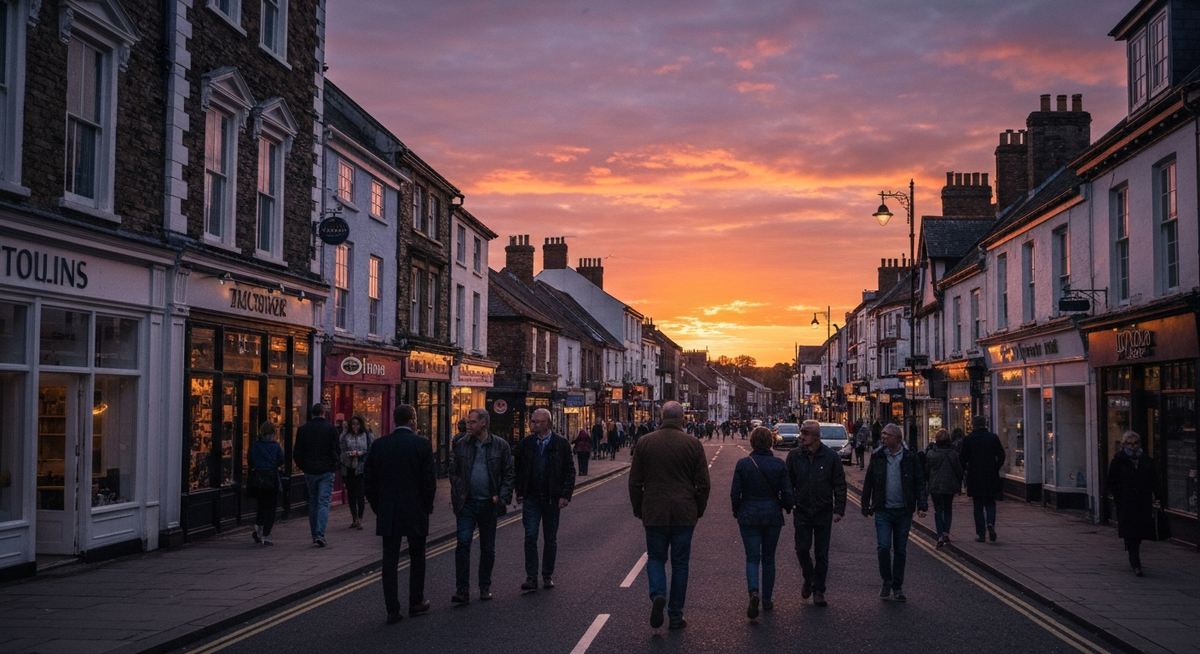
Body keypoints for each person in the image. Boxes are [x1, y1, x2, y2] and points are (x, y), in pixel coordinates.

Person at [629, 401, 710, 630]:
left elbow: (635, 483)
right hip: (685, 513)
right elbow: (703, 484)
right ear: (683, 417)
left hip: (654, 511)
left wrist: (639, 508)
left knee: (655, 558)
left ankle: (658, 596)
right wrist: (698, 509)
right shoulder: (693, 444)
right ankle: (675, 615)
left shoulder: (645, 442)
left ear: (661, 416)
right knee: (680, 563)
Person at [364, 404, 437, 625]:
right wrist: (427, 506)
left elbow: (369, 482)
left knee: (390, 560)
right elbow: (429, 482)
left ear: (395, 420)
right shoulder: (422, 444)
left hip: (389, 509)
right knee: (417, 556)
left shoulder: (379, 445)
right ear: (413, 419)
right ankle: (415, 602)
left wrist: (379, 507)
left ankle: (392, 610)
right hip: (415, 509)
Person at [449, 408, 514, 602]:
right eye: (468, 422)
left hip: (488, 504)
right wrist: (460, 490)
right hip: (467, 504)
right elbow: (453, 471)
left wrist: (501, 498)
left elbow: (509, 474)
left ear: (483, 423)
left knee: (487, 548)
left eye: (472, 422)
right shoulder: (460, 444)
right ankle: (462, 590)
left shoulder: (500, 446)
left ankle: (484, 586)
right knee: (462, 545)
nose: (468, 425)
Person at [861, 423, 927, 601]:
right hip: (883, 510)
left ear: (898, 438)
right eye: (882, 434)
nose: (883, 437)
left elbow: (919, 482)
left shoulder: (909, 458)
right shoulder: (877, 457)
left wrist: (922, 505)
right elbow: (869, 483)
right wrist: (865, 504)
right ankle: (886, 580)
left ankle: (897, 586)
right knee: (883, 547)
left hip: (903, 511)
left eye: (887, 435)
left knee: (900, 550)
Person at [732, 426, 793, 619]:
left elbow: (735, 494)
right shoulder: (779, 464)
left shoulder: (743, 464)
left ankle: (754, 592)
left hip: (749, 515)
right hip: (772, 515)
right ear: (770, 442)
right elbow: (787, 492)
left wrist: (737, 511)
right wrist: (787, 507)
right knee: (768, 559)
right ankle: (766, 599)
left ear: (751, 442)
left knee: (752, 558)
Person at [514, 407, 576, 591]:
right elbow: (519, 469)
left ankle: (547, 575)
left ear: (548, 424)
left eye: (538, 422)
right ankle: (531, 577)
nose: (534, 424)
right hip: (532, 498)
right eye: (533, 421)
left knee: (550, 539)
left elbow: (570, 471)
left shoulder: (561, 444)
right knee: (530, 536)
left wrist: (565, 495)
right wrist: (520, 492)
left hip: (552, 498)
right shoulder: (526, 444)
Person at [786, 420, 847, 607]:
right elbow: (788, 482)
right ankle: (808, 576)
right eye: (801, 432)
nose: (801, 436)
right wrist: (790, 502)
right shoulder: (794, 456)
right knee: (801, 549)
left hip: (823, 511)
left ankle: (819, 590)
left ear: (816, 437)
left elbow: (839, 484)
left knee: (822, 553)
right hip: (802, 511)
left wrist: (839, 510)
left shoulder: (831, 457)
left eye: (805, 433)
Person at [1106, 431, 1159, 577]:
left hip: (1142, 502)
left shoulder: (1147, 460)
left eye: (1135, 443)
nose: (1133, 446)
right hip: (1126, 502)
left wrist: (1156, 496)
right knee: (1130, 532)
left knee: (1140, 531)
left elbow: (1154, 479)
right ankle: (1135, 562)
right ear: (1123, 445)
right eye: (1129, 443)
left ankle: (1134, 555)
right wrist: (1120, 494)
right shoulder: (1118, 460)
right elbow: (1111, 481)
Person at [293, 403, 340, 547]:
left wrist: (304, 467)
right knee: (324, 502)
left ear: (312, 413)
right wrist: (334, 465)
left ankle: (315, 534)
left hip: (310, 471)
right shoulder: (331, 429)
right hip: (326, 471)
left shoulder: (303, 430)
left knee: (313, 502)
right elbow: (337, 450)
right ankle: (320, 534)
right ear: (324, 413)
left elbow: (297, 453)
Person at [959, 415, 1006, 543]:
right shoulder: (993, 438)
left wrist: (963, 472)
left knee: (978, 505)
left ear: (973, 425)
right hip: (991, 475)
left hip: (975, 476)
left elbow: (962, 459)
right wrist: (996, 467)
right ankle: (990, 523)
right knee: (990, 503)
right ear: (985, 424)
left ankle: (981, 534)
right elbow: (1001, 455)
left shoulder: (968, 439)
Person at [247, 420, 285, 546]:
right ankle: (266, 535)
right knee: (271, 507)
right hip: (271, 478)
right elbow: (281, 460)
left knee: (261, 505)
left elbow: (250, 460)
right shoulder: (275, 446)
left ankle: (258, 526)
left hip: (258, 478)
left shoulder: (255, 446)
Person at [925, 428, 964, 548]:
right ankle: (946, 532)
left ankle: (940, 535)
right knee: (948, 508)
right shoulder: (953, 454)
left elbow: (926, 471)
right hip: (949, 485)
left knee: (938, 510)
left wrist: (927, 482)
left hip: (935, 485)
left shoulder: (931, 454)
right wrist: (959, 484)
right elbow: (959, 471)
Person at [339, 414, 374, 530]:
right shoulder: (345, 435)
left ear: (361, 425)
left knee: (360, 494)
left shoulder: (366, 435)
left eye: (357, 424)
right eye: (353, 424)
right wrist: (348, 454)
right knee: (351, 495)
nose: (355, 426)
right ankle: (354, 519)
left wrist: (360, 454)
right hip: (348, 468)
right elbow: (341, 449)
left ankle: (360, 519)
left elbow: (370, 450)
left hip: (361, 468)